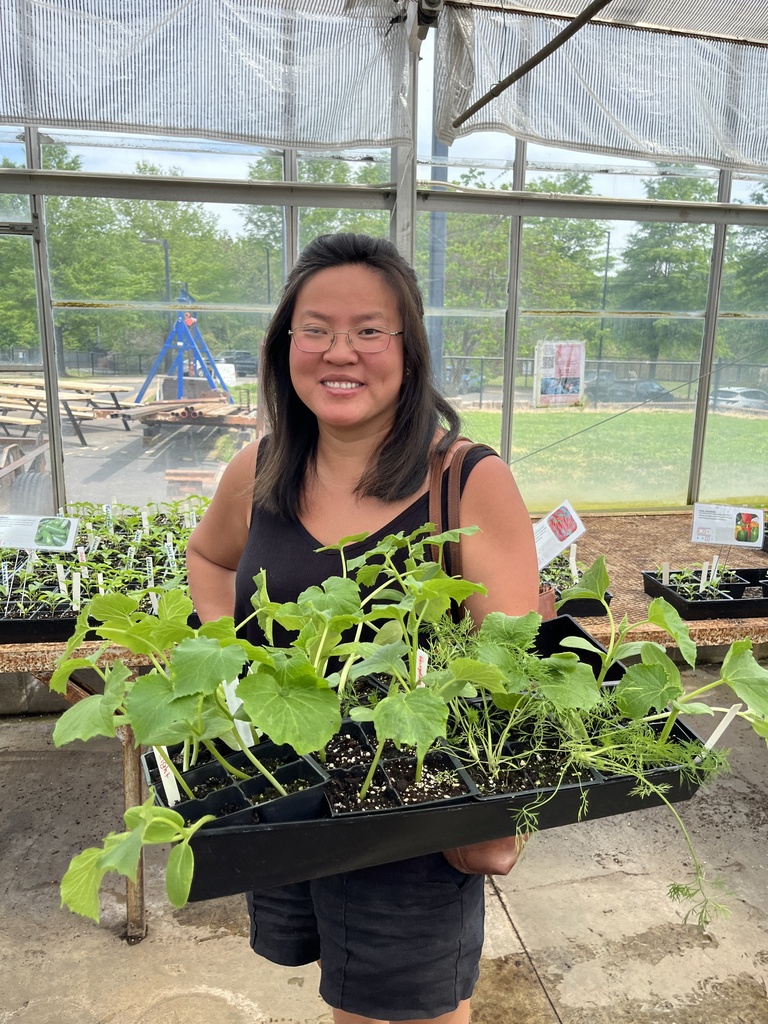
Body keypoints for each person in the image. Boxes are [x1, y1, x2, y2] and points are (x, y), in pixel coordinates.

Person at [186, 232, 539, 1024]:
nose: (339, 351)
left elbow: (516, 667)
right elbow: (208, 560)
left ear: (407, 349)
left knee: (406, 1010)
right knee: (342, 994)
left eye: (369, 330)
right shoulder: (262, 466)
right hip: (284, 787)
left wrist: (500, 816)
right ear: (285, 347)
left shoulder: (466, 480)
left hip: (412, 811)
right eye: (315, 328)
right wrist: (228, 657)